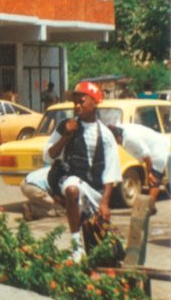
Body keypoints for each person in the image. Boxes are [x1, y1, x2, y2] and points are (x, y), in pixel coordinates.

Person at [44, 80, 121, 262]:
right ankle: (76, 247)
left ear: (94, 102)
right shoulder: (66, 125)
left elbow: (111, 172)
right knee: (72, 189)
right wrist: (65, 137)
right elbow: (49, 156)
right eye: (75, 103)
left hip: (94, 191)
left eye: (82, 101)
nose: (77, 106)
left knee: (101, 245)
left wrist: (104, 204)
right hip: (72, 181)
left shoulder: (106, 134)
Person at [110, 122, 170, 215]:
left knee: (154, 179)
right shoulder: (119, 130)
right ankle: (151, 207)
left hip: (157, 150)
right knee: (153, 178)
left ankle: (149, 207)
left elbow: (147, 156)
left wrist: (149, 172)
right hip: (152, 149)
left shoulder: (130, 139)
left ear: (117, 137)